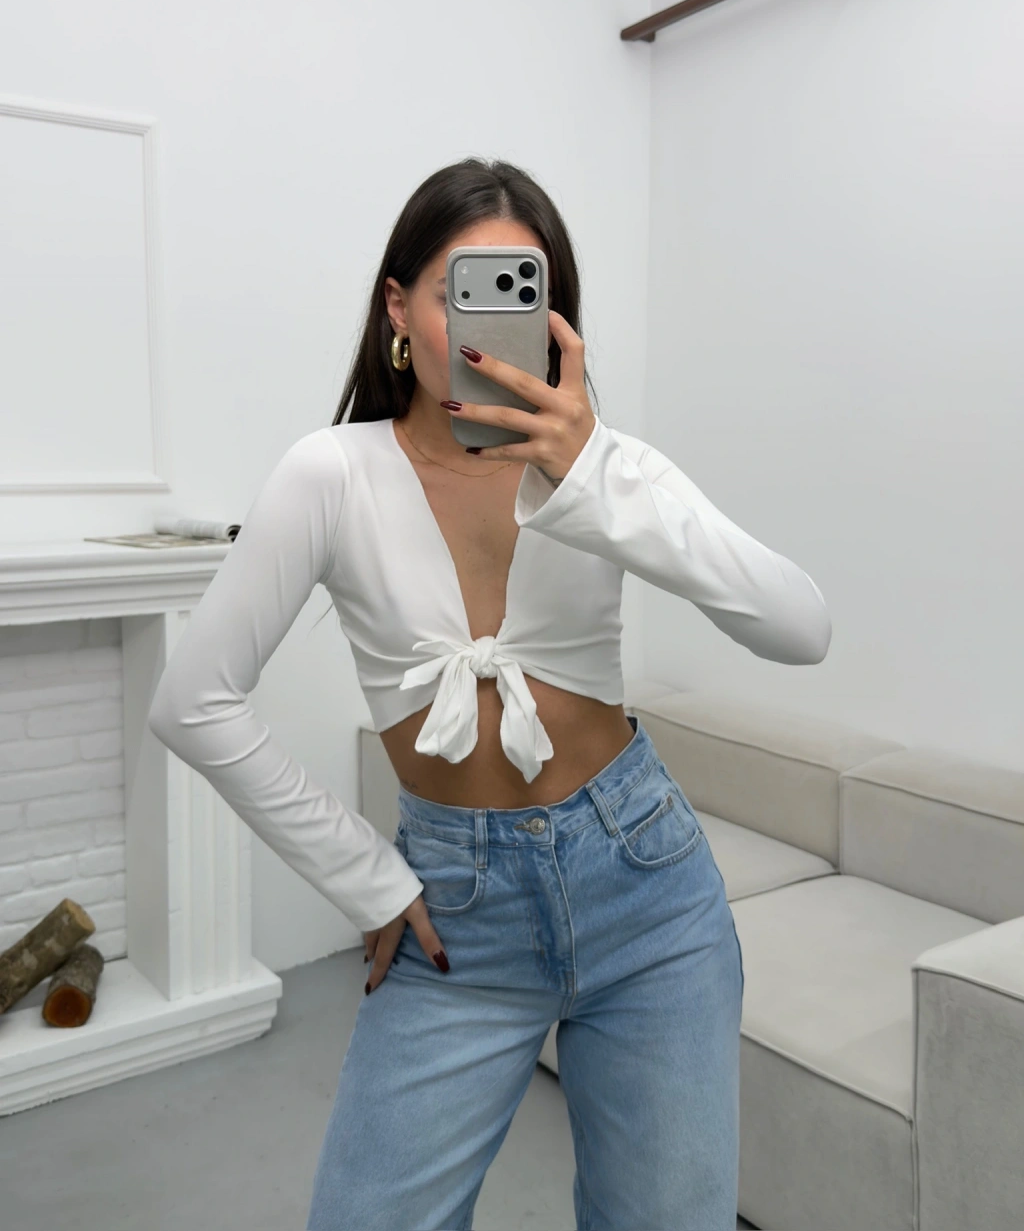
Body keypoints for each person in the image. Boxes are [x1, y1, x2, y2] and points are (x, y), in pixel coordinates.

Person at [147, 156, 831, 1231]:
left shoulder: (609, 469)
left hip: (649, 890)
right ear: (398, 309)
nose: (484, 329)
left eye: (520, 292)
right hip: (455, 917)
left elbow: (800, 626)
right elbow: (193, 698)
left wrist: (595, 477)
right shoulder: (331, 474)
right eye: (458, 291)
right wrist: (367, 877)